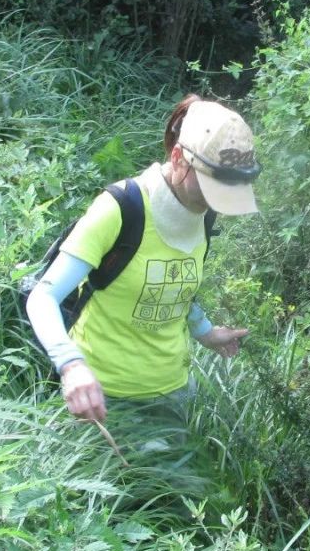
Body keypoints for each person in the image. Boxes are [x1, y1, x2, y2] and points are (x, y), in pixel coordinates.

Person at [25, 95, 259, 426]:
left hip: (175, 395)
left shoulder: (203, 216)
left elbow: (171, 287)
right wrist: (71, 366)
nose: (215, 202)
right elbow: (43, 297)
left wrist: (206, 333)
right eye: (211, 186)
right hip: (103, 401)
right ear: (179, 158)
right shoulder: (121, 208)